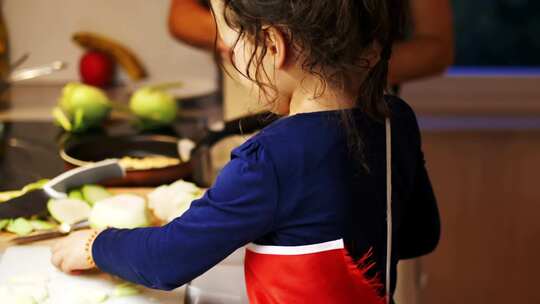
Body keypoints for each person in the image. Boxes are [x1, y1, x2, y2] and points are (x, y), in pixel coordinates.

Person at [52, 0, 440, 303]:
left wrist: (94, 245)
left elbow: (165, 261)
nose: (232, 58)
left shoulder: (267, 160)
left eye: (231, 47)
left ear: (273, 45)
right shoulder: (396, 121)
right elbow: (420, 235)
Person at [168, 0, 454, 85]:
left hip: (362, 115)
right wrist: (242, 37)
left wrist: (334, 70)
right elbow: (180, 17)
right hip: (246, 118)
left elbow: (436, 49)